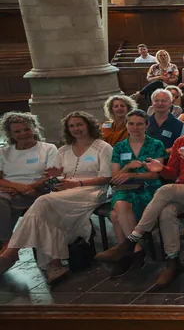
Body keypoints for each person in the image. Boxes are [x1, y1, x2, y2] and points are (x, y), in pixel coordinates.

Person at [98, 101, 184, 289]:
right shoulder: (180, 142)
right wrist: (161, 168)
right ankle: (173, 261)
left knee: (166, 190)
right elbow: (172, 173)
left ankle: (132, 240)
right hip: (182, 190)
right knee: (167, 211)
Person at [0, 112, 112, 283]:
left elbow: (106, 177)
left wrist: (76, 184)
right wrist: (56, 178)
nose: (76, 129)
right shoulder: (64, 150)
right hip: (64, 192)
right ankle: (55, 266)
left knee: (43, 201)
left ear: (88, 125)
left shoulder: (103, 147)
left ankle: (12, 251)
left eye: (79, 124)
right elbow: (57, 178)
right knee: (48, 216)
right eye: (72, 126)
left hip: (92, 190)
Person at [105, 109, 167, 278]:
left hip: (149, 188)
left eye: (139, 124)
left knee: (116, 215)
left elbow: (155, 174)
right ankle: (136, 249)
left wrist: (132, 174)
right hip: (125, 189)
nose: (135, 127)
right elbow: (115, 177)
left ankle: (125, 255)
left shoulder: (156, 145)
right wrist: (127, 168)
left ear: (147, 125)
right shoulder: (119, 147)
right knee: (119, 206)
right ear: (126, 125)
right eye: (131, 123)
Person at [0, 112, 58, 254]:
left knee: (4, 204)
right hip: (9, 190)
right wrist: (17, 187)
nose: (23, 133)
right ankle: (7, 242)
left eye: (27, 129)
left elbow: (53, 177)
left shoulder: (48, 148)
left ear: (34, 129)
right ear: (11, 134)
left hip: (37, 190)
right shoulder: (4, 152)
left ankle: (7, 245)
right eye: (17, 131)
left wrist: (27, 188)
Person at [146, 88, 184, 153]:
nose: (160, 103)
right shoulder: (144, 122)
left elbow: (181, 147)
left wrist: (160, 153)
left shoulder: (179, 125)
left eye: (163, 101)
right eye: (156, 101)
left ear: (170, 103)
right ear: (152, 103)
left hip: (168, 161)